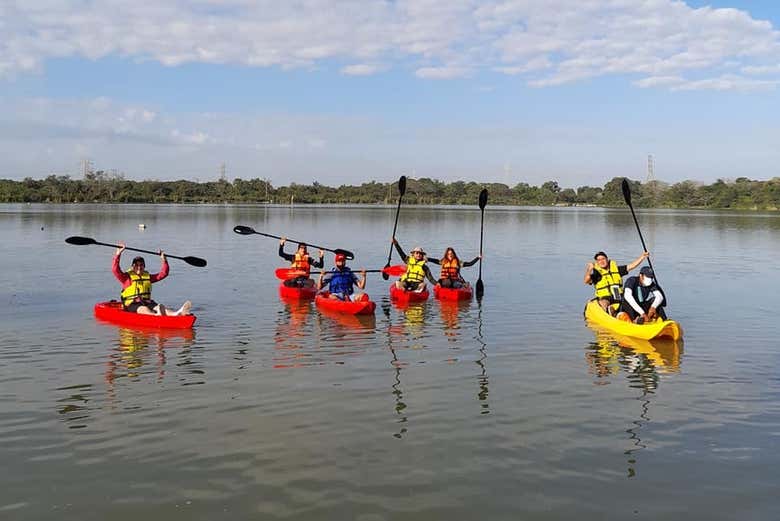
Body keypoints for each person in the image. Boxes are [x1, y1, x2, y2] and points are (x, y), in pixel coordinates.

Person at [112, 243, 191, 316]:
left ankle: (176, 314)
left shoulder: (148, 277)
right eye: (136, 265)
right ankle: (155, 316)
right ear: (132, 266)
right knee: (144, 309)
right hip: (131, 304)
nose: (139, 267)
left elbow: (163, 274)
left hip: (147, 302)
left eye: (141, 265)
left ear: (144, 267)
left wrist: (164, 260)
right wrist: (118, 254)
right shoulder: (126, 278)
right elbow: (115, 270)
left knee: (160, 307)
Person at [584, 250, 649, 314]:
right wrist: (590, 269)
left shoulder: (617, 269)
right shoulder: (597, 274)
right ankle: (611, 312)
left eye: (603, 259)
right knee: (603, 303)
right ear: (597, 262)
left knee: (630, 300)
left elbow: (631, 266)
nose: (601, 261)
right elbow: (586, 280)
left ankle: (636, 316)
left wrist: (642, 257)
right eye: (599, 260)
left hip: (618, 295)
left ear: (607, 259)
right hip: (605, 297)